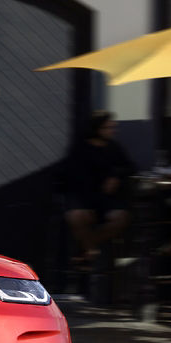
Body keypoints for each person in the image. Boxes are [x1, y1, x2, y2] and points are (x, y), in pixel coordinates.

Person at [63, 111, 136, 265]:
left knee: (122, 218)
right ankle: (91, 250)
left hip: (106, 199)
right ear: (97, 129)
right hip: (84, 197)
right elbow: (73, 177)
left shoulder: (113, 147)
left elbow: (130, 167)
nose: (112, 131)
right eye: (108, 127)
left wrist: (115, 176)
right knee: (76, 217)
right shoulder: (81, 148)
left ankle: (87, 247)